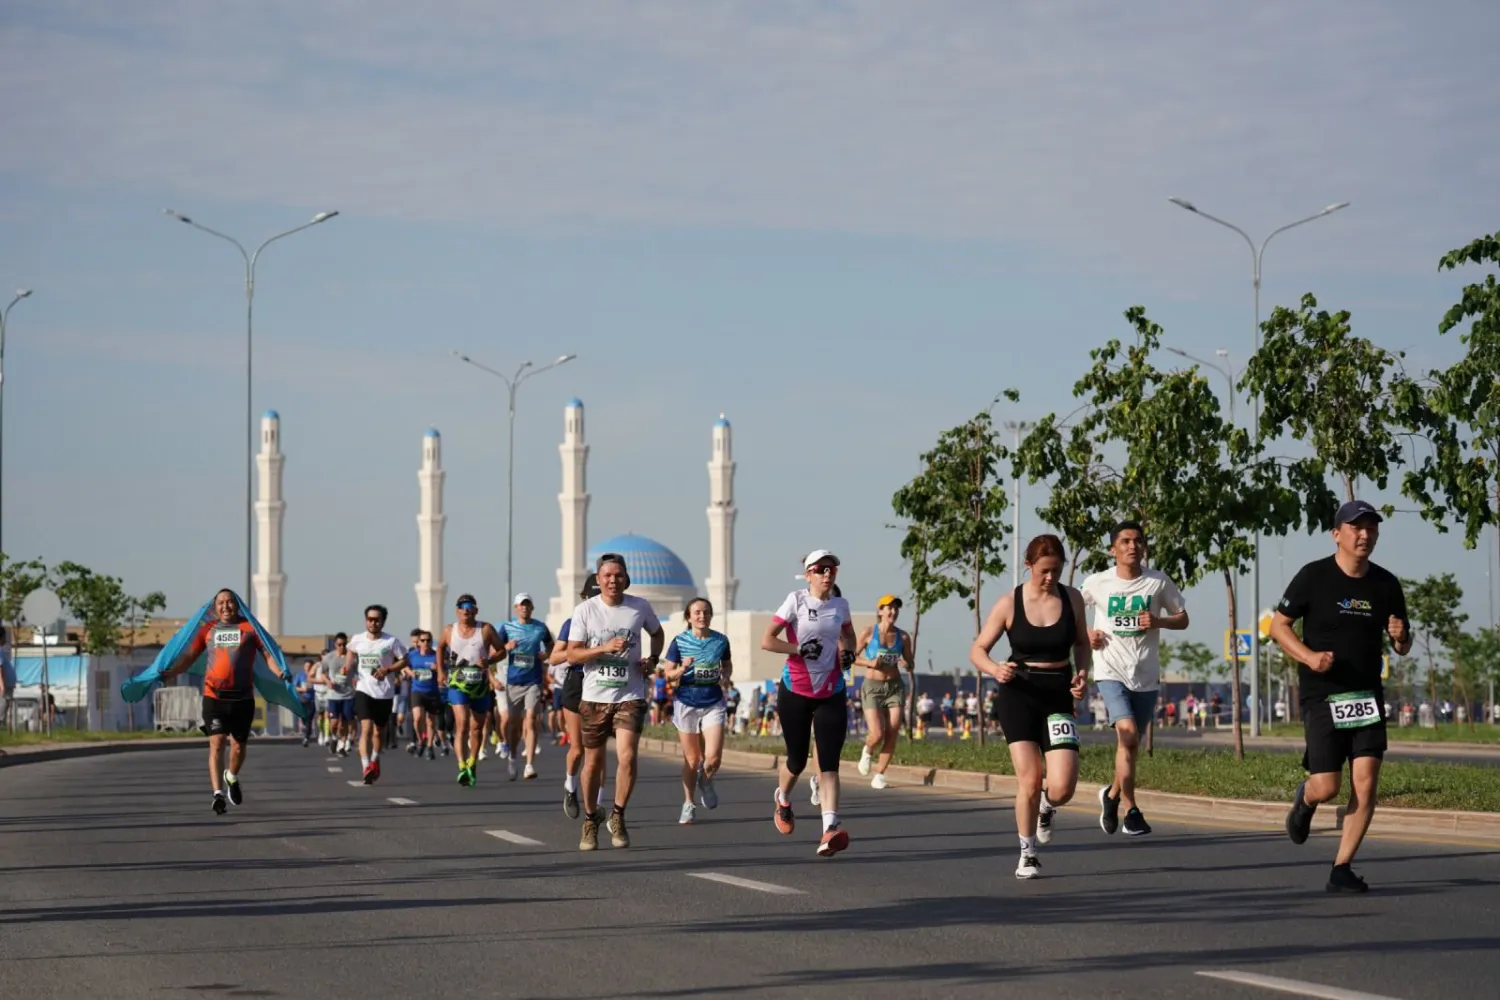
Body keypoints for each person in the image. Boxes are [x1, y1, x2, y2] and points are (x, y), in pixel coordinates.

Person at [1274, 500, 1412, 894]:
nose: (1365, 535)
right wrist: (1309, 657)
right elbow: (1279, 627)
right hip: (1323, 695)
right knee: (1328, 786)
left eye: (1371, 528)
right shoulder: (1313, 577)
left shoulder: (1386, 585)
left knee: (1366, 784)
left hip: (1366, 694)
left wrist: (1401, 637)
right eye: (1356, 528)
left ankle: (1342, 867)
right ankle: (1306, 798)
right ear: (1337, 534)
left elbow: (1402, 644)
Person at [970, 535, 1091, 879]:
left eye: (1056, 570)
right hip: (1019, 694)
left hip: (1057, 695)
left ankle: (1047, 808)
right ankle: (1028, 853)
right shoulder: (1010, 602)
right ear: (1029, 566)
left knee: (1062, 786)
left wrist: (1082, 673)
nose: (1050, 578)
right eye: (1044, 571)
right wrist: (995, 668)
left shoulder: (1073, 599)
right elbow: (977, 650)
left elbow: (1082, 643)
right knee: (1030, 777)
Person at [1081, 520, 1189, 838]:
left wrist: (1159, 621)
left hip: (1145, 675)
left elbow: (1183, 618)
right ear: (1112, 548)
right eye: (1125, 541)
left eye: (1138, 541)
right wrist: (1086, 633)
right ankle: (1131, 810)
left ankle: (1111, 796)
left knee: (1130, 745)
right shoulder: (1098, 582)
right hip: (1109, 670)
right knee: (1126, 734)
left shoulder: (1158, 582)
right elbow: (1072, 609)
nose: (1132, 546)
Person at [153, 589, 295, 814]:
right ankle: (217, 794)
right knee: (217, 742)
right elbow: (189, 656)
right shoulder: (208, 630)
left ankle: (231, 775)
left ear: (237, 605)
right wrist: (170, 672)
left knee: (238, 746)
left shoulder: (250, 629)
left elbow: (268, 656)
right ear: (214, 607)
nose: (225, 606)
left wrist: (280, 672)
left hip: (243, 699)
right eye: (220, 603)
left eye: (230, 602)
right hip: (214, 698)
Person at [563, 553, 664, 851]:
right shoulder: (585, 610)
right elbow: (572, 655)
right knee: (592, 763)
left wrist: (653, 660)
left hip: (630, 694)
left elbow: (657, 634)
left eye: (618, 575)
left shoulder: (639, 606)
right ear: (598, 579)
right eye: (607, 575)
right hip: (594, 697)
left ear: (626, 577)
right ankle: (591, 818)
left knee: (627, 757)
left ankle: (618, 815)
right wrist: (604, 648)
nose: (613, 580)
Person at [761, 549, 858, 857]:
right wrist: (798, 649)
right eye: (820, 569)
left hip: (831, 690)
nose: (827, 574)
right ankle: (783, 798)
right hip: (796, 690)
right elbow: (767, 640)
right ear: (808, 575)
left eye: (831, 569)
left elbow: (850, 637)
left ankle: (830, 828)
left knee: (829, 763)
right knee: (797, 760)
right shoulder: (796, 601)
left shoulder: (841, 605)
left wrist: (848, 652)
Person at [663, 597, 733, 824]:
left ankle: (706, 779)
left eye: (706, 612)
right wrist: (682, 668)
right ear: (688, 617)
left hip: (713, 700)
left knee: (712, 759)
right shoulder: (679, 642)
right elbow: (668, 674)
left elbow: (727, 664)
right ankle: (688, 802)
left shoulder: (721, 641)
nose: (702, 616)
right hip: (687, 701)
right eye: (697, 613)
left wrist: (725, 677)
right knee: (692, 760)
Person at [436, 594, 507, 787]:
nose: (466, 609)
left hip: (480, 686)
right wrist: (441, 671)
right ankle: (461, 766)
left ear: (476, 610)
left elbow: (502, 651)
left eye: (469, 606)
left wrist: (490, 661)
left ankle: (472, 763)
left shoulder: (485, 629)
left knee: (477, 728)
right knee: (463, 724)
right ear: (457, 610)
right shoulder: (449, 630)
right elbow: (440, 647)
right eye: (462, 606)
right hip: (457, 685)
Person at [550, 573, 604, 818]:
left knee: (599, 750)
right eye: (592, 597)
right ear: (584, 598)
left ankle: (599, 805)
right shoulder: (572, 623)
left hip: (604, 686)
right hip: (577, 684)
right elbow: (555, 657)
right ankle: (570, 786)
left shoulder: (615, 623)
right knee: (579, 748)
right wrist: (582, 652)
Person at [855, 594, 913, 789]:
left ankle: (879, 773)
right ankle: (868, 749)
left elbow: (910, 663)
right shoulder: (868, 632)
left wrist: (907, 663)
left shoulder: (903, 637)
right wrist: (869, 662)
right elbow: (849, 657)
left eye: (896, 608)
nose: (893, 611)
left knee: (894, 729)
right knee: (877, 733)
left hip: (895, 686)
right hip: (873, 687)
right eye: (889, 607)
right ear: (880, 611)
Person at [346, 605, 408, 784]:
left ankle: (375, 759)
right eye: (370, 619)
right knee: (365, 728)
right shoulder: (358, 639)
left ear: (382, 622)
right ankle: (366, 765)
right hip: (364, 689)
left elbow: (405, 660)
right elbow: (351, 650)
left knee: (378, 731)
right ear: (366, 620)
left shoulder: (391, 641)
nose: (373, 622)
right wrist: (348, 666)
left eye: (377, 620)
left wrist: (388, 669)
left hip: (385, 693)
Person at [500, 593, 554, 781]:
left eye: (528, 605)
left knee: (530, 719)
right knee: (514, 725)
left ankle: (529, 765)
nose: (525, 608)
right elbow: (496, 649)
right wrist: (506, 647)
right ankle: (513, 757)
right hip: (514, 681)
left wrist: (545, 655)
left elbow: (551, 645)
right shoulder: (507, 627)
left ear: (532, 607)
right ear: (516, 608)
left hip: (533, 680)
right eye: (521, 605)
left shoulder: (540, 628)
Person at [405, 630, 442, 759]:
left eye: (428, 640)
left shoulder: (436, 655)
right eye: (423, 640)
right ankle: (420, 740)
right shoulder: (412, 655)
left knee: (431, 722)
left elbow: (447, 666)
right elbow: (404, 666)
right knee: (417, 718)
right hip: (417, 690)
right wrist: (411, 673)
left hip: (432, 691)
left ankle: (430, 747)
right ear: (418, 642)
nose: (425, 643)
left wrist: (438, 668)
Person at [318, 633, 355, 756]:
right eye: (339, 644)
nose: (342, 647)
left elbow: (360, 672)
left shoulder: (352, 657)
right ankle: (334, 738)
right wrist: (328, 681)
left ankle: (341, 746)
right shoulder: (329, 657)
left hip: (348, 694)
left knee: (344, 722)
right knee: (334, 723)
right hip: (334, 695)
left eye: (344, 644)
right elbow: (323, 673)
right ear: (335, 645)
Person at [293, 659, 319, 746]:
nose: (307, 668)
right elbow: (294, 687)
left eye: (309, 666)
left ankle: (306, 737)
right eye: (306, 666)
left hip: (312, 700)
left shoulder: (315, 676)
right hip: (302, 699)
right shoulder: (300, 675)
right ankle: (306, 732)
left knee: (309, 719)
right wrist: (302, 689)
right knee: (304, 718)